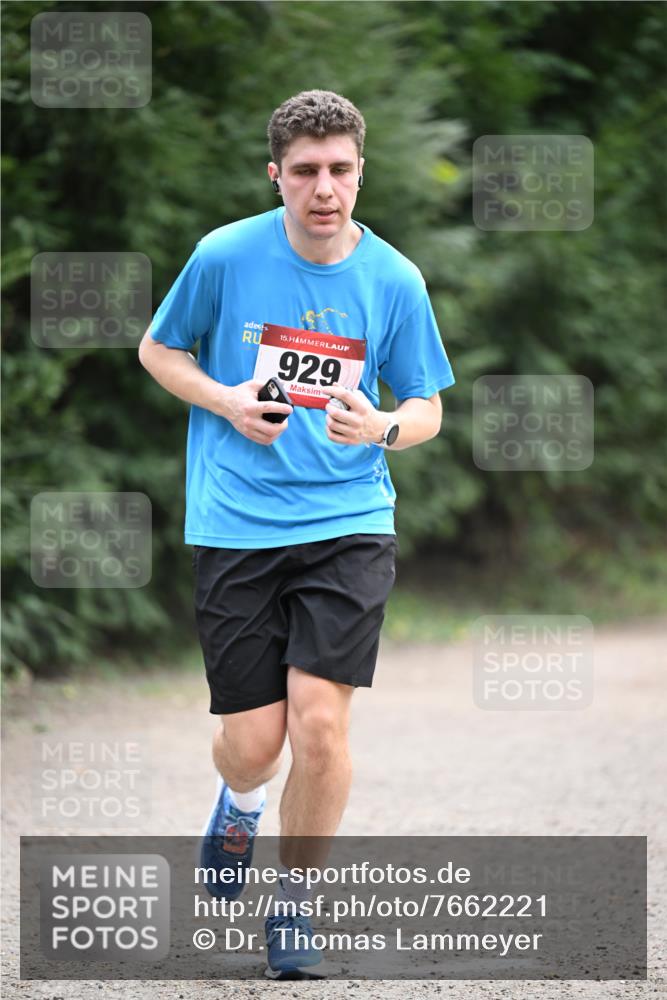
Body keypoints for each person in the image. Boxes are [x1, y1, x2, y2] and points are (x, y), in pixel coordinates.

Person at [139, 89, 455, 979]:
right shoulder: (223, 256)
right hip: (238, 523)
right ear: (276, 176)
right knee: (255, 743)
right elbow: (159, 351)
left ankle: (296, 908)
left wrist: (385, 428)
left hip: (348, 522)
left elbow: (427, 404)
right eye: (307, 171)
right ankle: (239, 802)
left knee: (320, 725)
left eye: (341, 170)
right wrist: (228, 400)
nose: (325, 188)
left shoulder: (393, 279)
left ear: (361, 173)